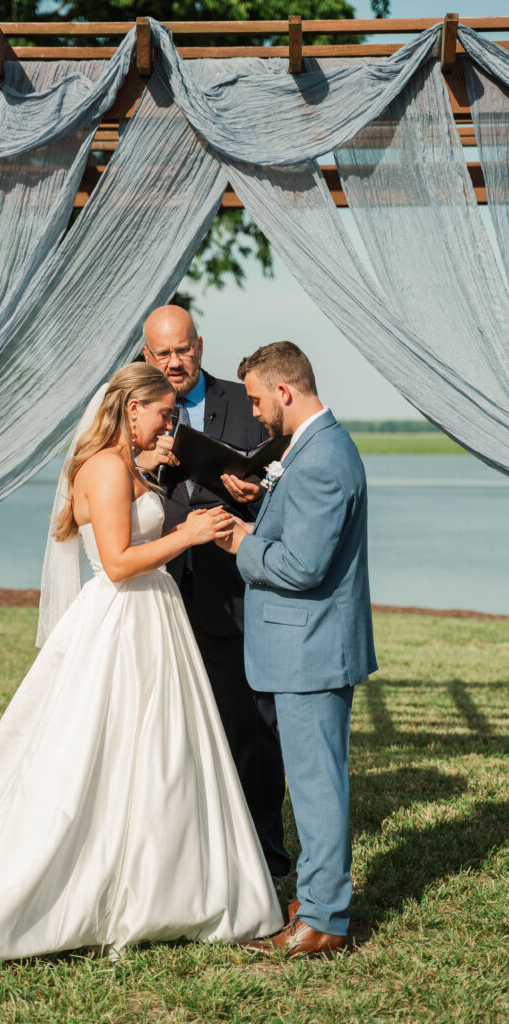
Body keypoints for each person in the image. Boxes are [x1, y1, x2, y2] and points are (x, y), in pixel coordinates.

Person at [0, 363, 282, 985]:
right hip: (123, 621)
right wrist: (190, 534)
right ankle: (112, 883)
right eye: (163, 415)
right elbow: (119, 563)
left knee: (161, 755)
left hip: (154, 620)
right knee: (107, 751)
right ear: (131, 410)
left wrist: (200, 499)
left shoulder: (134, 467)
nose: (169, 425)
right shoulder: (101, 467)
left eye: (173, 418)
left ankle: (167, 882)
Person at [217, 341, 377, 957]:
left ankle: (324, 920)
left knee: (316, 786)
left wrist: (241, 547)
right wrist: (260, 524)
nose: (253, 411)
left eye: (257, 399)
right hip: (309, 644)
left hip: (311, 648)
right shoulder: (310, 449)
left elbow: (305, 566)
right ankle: (316, 898)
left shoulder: (321, 459)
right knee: (315, 783)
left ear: (285, 391)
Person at [138, 305, 289, 882]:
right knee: (169, 731)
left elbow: (281, 484)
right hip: (161, 595)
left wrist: (252, 492)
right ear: (146, 355)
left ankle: (267, 858)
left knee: (249, 726)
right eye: (163, 354)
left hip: (231, 593)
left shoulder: (246, 403)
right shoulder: (131, 408)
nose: (175, 363)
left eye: (185, 350)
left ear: (200, 345)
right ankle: (187, 859)